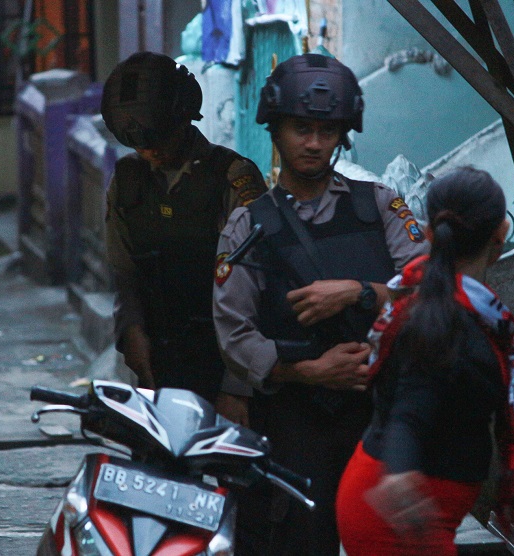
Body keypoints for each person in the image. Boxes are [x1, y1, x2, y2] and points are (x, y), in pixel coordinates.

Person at [212, 53, 429, 555]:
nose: (313, 143)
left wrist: (358, 292)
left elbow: (430, 294)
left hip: (379, 423)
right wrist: (310, 371)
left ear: (343, 134)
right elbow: (234, 334)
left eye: (326, 130)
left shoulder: (379, 206)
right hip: (292, 427)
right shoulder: (247, 225)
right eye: (300, 128)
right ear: (275, 129)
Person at [336, 167, 514, 556]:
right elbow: (408, 413)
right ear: (502, 233)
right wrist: (401, 475)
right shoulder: (446, 324)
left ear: (428, 234)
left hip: (404, 512)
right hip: (398, 520)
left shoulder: (457, 309)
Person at [102, 52, 267, 403]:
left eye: (157, 139)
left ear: (184, 117)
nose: (149, 152)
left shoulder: (232, 177)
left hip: (225, 366)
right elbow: (125, 273)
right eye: (138, 145)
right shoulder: (128, 180)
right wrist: (132, 333)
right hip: (155, 366)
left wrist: (237, 388)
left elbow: (258, 288)